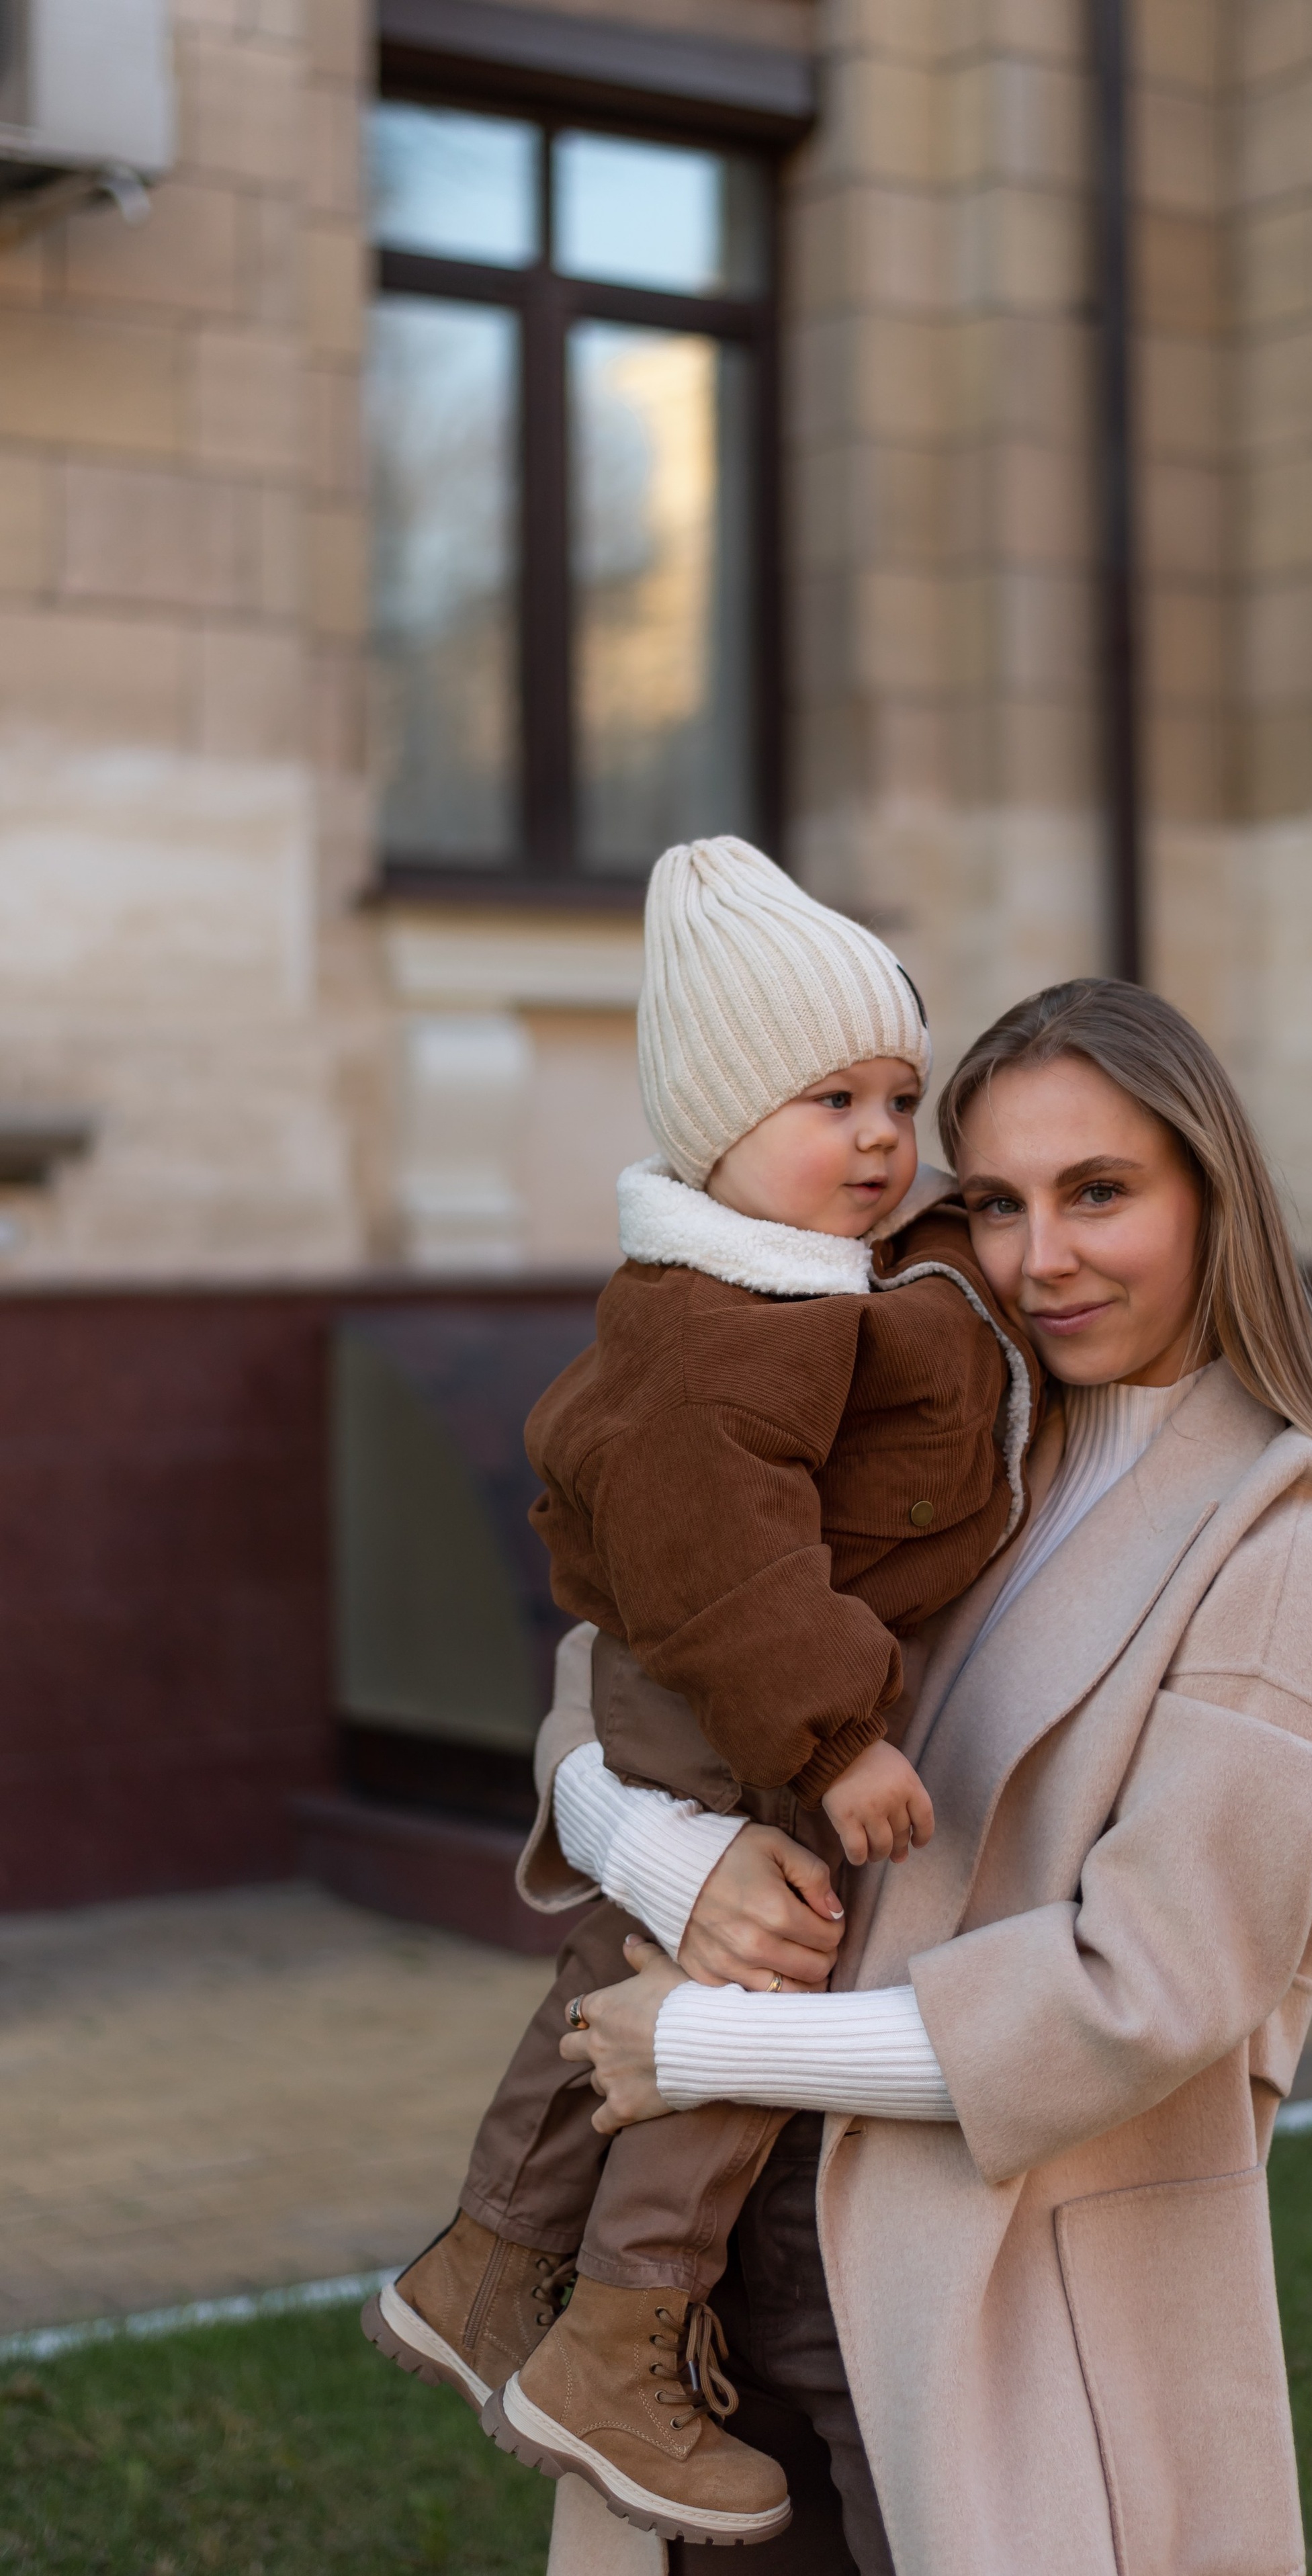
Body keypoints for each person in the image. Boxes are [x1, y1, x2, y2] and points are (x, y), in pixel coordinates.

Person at [538, 976, 1312, 2576]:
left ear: (1213, 1199)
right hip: (721, 2274)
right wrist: (656, 1860)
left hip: (1001, 2319)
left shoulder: (1288, 1544)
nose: (1037, 1259)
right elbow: (622, 1661)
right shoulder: (947, 1442)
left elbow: (1131, 1996)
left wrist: (703, 2040)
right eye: (992, 1202)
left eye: (1098, 1193)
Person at [363, 837, 1039, 2547]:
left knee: (638, 1953)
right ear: (716, 1126)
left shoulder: (774, 1288)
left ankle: (491, 2262)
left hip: (693, 1699)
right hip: (744, 1706)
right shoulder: (729, 1329)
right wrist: (838, 1738)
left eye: (902, 1098)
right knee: (742, 1979)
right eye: (834, 1101)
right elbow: (739, 1573)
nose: (884, 1141)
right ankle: (618, 2332)